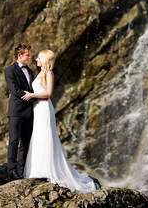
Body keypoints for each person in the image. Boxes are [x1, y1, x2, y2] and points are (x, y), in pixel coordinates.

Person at [21, 49, 98, 192]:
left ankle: (49, 169)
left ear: (44, 60)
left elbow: (48, 94)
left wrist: (32, 95)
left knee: (46, 136)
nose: (36, 59)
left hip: (44, 108)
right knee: (38, 136)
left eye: (38, 57)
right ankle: (39, 169)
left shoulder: (49, 73)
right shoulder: (39, 74)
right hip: (37, 108)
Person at [4, 43, 35, 180]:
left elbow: (33, 89)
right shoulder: (10, 70)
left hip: (29, 112)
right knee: (14, 141)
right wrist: (29, 95)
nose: (29, 57)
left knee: (26, 142)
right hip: (16, 111)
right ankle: (11, 170)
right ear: (20, 55)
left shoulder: (31, 71)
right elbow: (14, 90)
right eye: (27, 54)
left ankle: (21, 171)